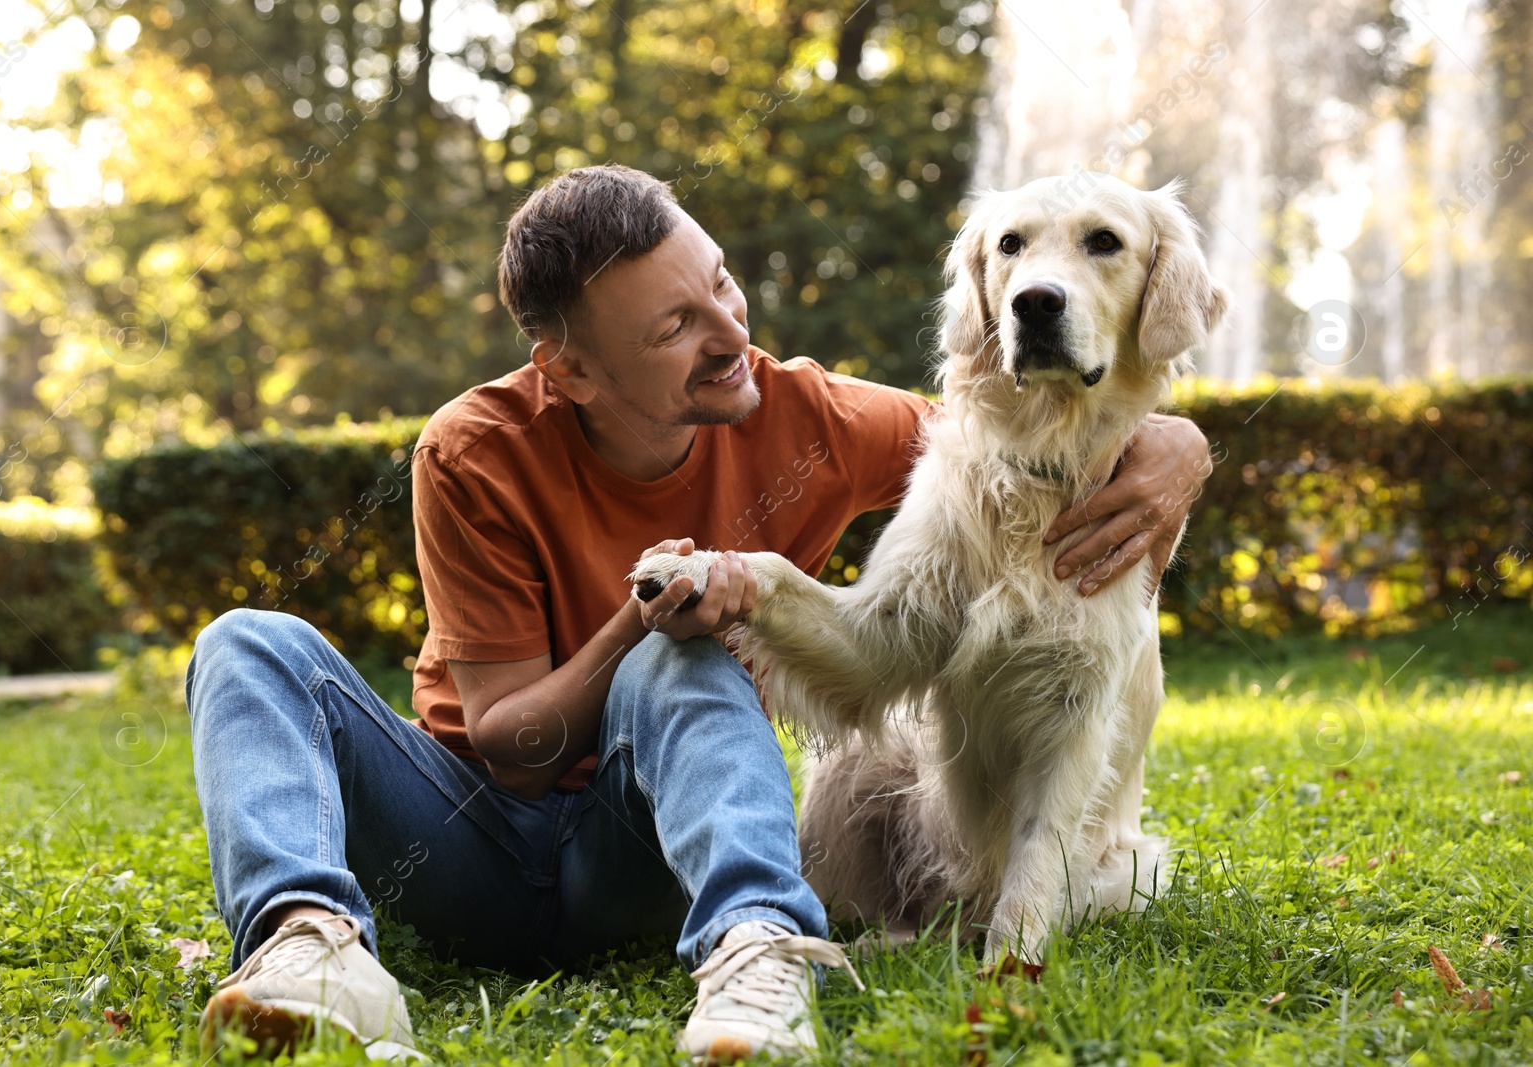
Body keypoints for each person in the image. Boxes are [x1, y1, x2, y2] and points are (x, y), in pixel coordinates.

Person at [187, 164, 1212, 1061]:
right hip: (469, 846)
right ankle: (307, 947)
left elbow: (1005, 427)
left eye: (720, 283)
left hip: (648, 854)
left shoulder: (804, 414)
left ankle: (758, 954)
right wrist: (647, 613)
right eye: (675, 326)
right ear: (571, 369)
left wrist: (1178, 448)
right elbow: (511, 746)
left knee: (694, 652)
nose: (730, 336)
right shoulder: (474, 450)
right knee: (245, 643)